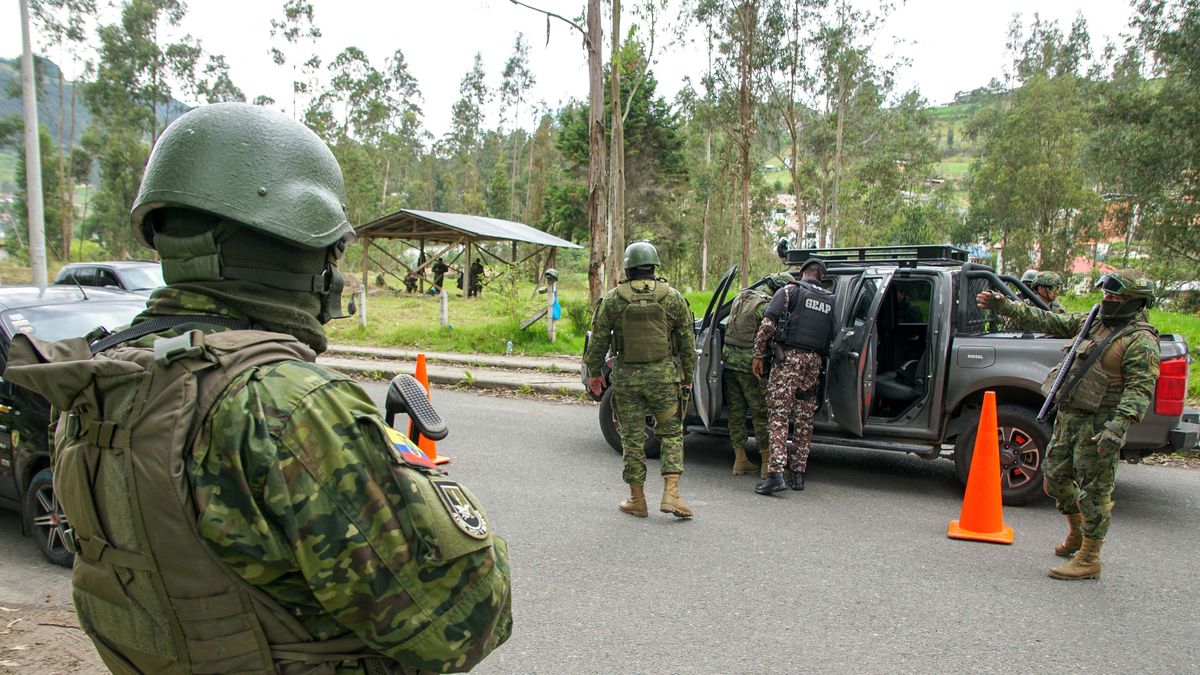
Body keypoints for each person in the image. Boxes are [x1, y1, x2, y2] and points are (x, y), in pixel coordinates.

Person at [5, 103, 512, 672]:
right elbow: (469, 618)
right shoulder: (290, 406)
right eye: (333, 251)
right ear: (294, 247)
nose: (336, 274)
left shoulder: (101, 383)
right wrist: (417, 486)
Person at [977, 270, 1159, 580]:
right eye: (1106, 294)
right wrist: (1002, 305)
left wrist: (1117, 428)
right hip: (1070, 415)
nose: (1107, 300)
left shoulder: (1140, 341)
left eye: (1115, 297)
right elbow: (1045, 320)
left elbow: (1139, 390)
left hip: (1100, 423)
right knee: (1054, 478)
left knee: (1094, 492)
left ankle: (1090, 557)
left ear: (1134, 301)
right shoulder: (1094, 323)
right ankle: (1076, 531)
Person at [584, 241, 697, 519]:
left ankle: (637, 500)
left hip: (627, 380)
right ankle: (671, 493)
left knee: (633, 440)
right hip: (663, 379)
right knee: (671, 434)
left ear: (628, 268)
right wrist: (688, 377)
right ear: (654, 266)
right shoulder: (672, 297)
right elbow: (686, 341)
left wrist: (595, 374)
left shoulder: (613, 299)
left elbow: (598, 341)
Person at [752, 258, 836, 495]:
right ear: (821, 276)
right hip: (814, 363)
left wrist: (758, 354)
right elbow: (834, 334)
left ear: (802, 273)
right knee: (804, 419)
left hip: (788, 360)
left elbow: (767, 325)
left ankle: (775, 474)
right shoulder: (830, 300)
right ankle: (798, 474)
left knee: (778, 415)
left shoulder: (789, 291)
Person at [722, 272, 795, 478]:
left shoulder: (742, 296)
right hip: (750, 366)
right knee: (760, 412)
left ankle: (740, 460)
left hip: (729, 361)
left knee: (735, 412)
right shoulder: (766, 305)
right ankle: (766, 464)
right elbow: (771, 333)